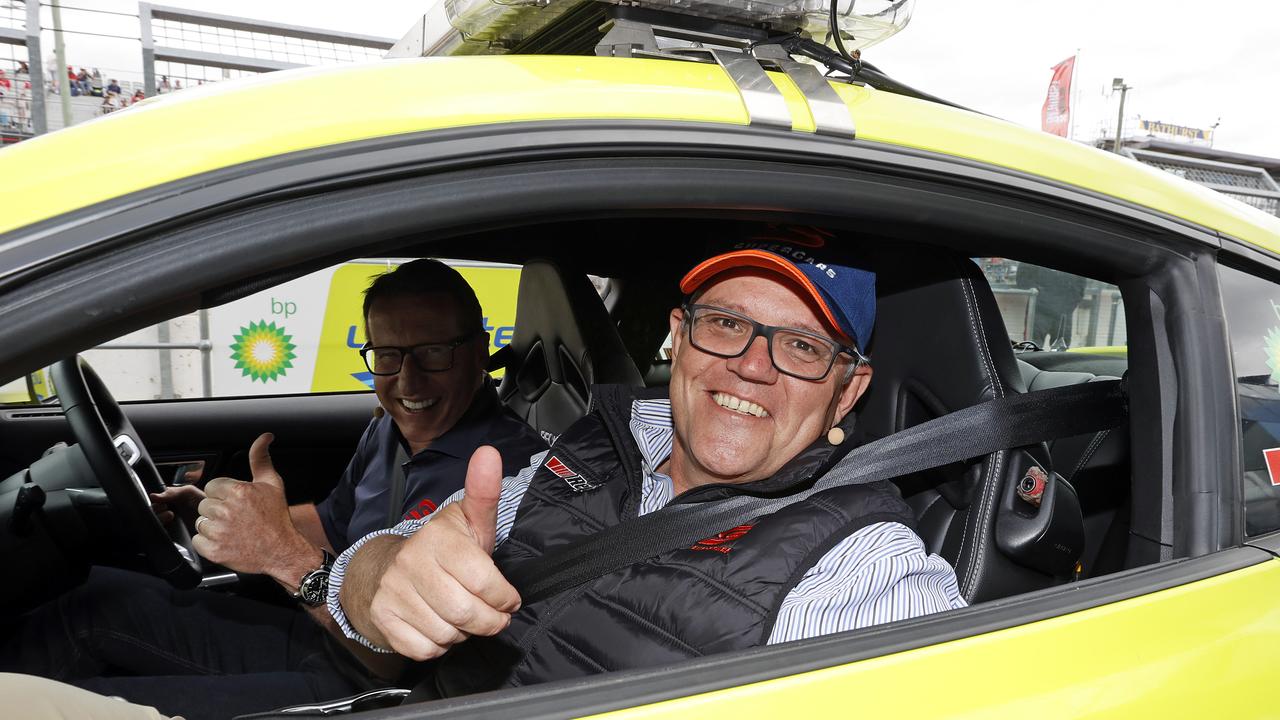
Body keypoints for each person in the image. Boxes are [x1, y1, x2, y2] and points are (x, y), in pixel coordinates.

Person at [331, 234, 966, 698]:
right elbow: (370, 584)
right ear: (679, 337)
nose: (751, 365)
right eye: (725, 323)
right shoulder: (595, 444)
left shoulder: (864, 566)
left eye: (802, 346)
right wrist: (383, 573)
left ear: (848, 391)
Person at [0, 259, 547, 720]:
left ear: (479, 351)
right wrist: (226, 516)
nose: (407, 383)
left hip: (377, 689)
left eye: (433, 354)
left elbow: (390, 655)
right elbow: (332, 522)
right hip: (317, 635)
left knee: (69, 709)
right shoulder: (389, 428)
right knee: (98, 600)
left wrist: (281, 555)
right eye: (387, 356)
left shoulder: (504, 475)